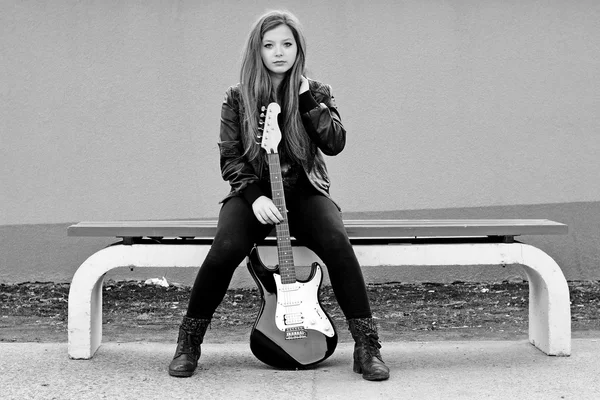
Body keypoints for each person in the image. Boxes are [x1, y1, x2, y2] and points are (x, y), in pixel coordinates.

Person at [168, 10, 390, 381]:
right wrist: (255, 196)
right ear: (258, 50)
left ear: (298, 48)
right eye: (269, 45)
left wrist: (304, 100)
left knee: (337, 242)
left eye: (287, 44)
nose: (279, 52)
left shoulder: (317, 92)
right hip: (252, 194)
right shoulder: (237, 98)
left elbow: (335, 144)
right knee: (224, 250)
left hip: (304, 192)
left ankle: (367, 347)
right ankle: (189, 342)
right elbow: (230, 156)